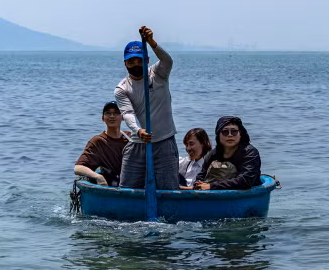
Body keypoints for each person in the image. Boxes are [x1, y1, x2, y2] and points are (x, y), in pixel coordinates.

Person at [115, 26, 180, 190]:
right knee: (127, 190)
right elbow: (127, 113)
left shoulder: (158, 74)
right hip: (138, 142)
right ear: (125, 63)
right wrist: (138, 131)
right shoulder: (122, 88)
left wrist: (151, 42)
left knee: (169, 190)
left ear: (147, 60)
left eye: (139, 60)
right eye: (131, 62)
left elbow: (168, 61)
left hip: (165, 141)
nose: (136, 64)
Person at [195, 116, 261, 190]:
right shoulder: (213, 154)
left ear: (240, 134)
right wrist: (198, 184)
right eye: (225, 132)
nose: (230, 135)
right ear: (218, 135)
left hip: (245, 194)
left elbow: (246, 180)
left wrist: (211, 186)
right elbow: (201, 176)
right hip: (215, 192)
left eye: (234, 131)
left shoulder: (250, 153)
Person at [74, 101, 130, 186]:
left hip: (132, 182)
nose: (112, 116)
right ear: (103, 118)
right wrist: (98, 177)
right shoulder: (98, 142)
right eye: (108, 113)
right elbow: (78, 168)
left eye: (116, 113)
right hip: (112, 183)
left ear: (122, 117)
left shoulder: (130, 138)